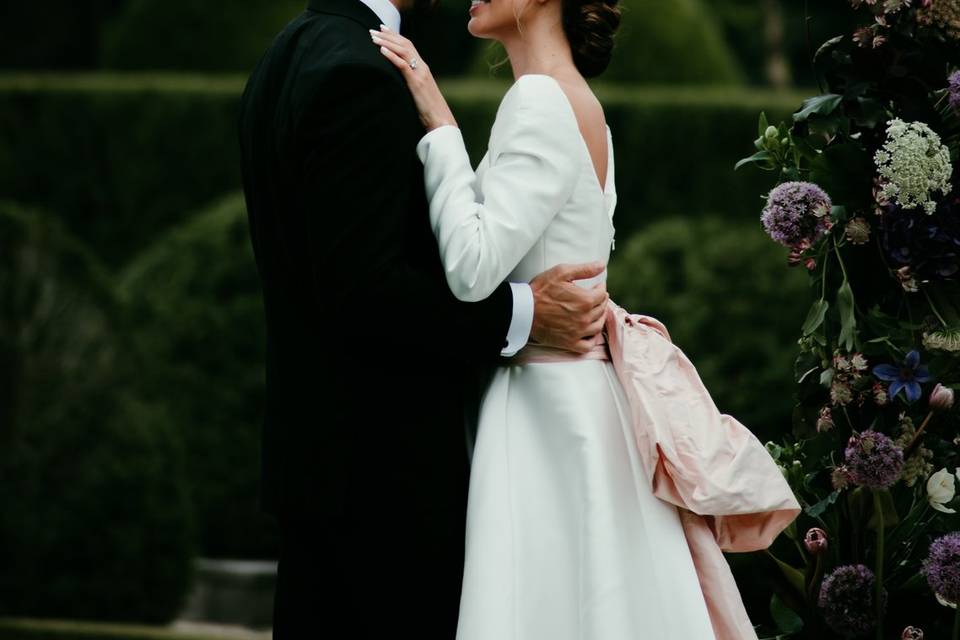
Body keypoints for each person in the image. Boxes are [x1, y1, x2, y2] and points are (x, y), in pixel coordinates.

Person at [236, 0, 611, 637]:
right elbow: (367, 289)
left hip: (327, 470)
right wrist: (525, 313)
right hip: (382, 480)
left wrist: (439, 128)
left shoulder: (287, 54)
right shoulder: (360, 68)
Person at [368, 0, 725, 636]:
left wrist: (440, 126)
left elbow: (474, 267)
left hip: (544, 408)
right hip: (580, 398)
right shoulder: (575, 100)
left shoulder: (538, 98)